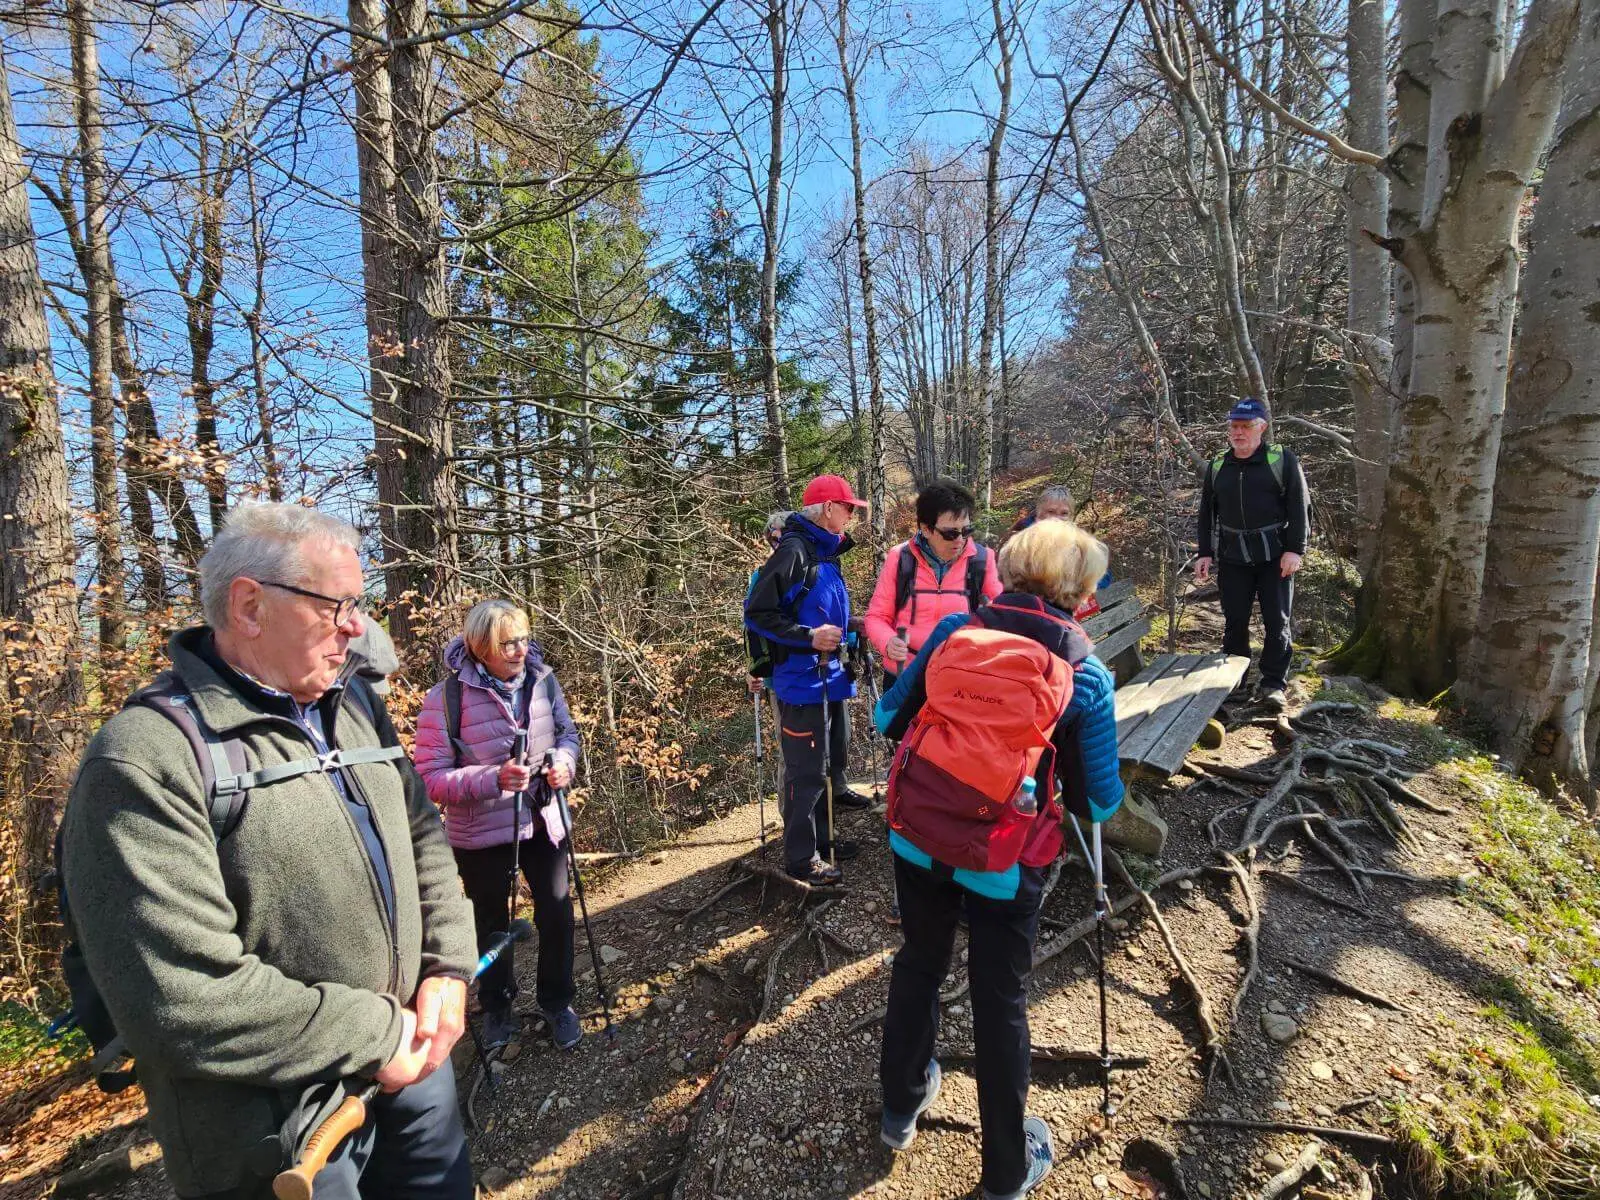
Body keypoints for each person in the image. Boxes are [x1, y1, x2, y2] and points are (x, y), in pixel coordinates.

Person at [59, 503, 478, 1200]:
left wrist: (448, 968)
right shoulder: (143, 760)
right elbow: (180, 998)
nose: (357, 626)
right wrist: (378, 1032)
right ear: (249, 606)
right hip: (278, 1142)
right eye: (337, 605)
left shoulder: (352, 707)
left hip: (414, 1076)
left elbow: (421, 838)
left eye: (359, 605)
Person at [873, 519, 1124, 1200]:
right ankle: (1006, 1174)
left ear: (1011, 572)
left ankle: (901, 1107)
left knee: (920, 963)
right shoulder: (1086, 674)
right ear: (1077, 591)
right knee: (1000, 999)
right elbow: (1099, 806)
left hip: (919, 835)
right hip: (1004, 860)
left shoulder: (956, 634)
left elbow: (886, 719)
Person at [413, 600, 583, 1052]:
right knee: (491, 924)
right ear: (479, 646)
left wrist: (564, 763)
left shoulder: (543, 682)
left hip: (543, 818)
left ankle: (557, 1002)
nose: (519, 650)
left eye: (523, 639)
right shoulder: (445, 698)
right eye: (506, 643)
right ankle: (497, 1009)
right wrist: (492, 779)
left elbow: (568, 735)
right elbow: (429, 777)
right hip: (480, 833)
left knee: (557, 911)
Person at [743, 474, 870, 884]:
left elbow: (815, 610)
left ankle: (823, 844)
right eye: (848, 506)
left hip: (827, 677)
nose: (852, 514)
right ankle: (801, 860)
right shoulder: (794, 551)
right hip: (800, 683)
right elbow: (759, 614)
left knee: (827, 765)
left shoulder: (824, 554)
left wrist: (853, 624)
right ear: (828, 507)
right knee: (806, 772)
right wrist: (809, 638)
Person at [1194, 397, 1309, 713]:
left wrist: (1295, 549)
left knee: (1277, 621)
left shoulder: (1281, 459)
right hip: (1233, 557)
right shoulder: (1218, 465)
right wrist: (1205, 552)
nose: (1238, 432)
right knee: (1234, 622)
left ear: (1262, 427)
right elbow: (1207, 513)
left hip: (1275, 556)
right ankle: (1235, 681)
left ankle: (1273, 684)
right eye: (1234, 426)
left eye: (1245, 426)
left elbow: (1299, 506)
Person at [863, 478, 1002, 687]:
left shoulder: (982, 560)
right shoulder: (901, 558)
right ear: (926, 529)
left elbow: (1000, 617)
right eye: (950, 533)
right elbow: (876, 616)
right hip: (904, 676)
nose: (960, 539)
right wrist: (887, 642)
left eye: (966, 531)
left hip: (959, 677)